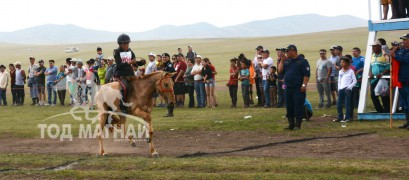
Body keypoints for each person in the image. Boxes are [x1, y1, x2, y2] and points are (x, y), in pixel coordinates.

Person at [278, 45, 310, 130]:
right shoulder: (287, 61)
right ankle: (291, 124)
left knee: (298, 105)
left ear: (293, 51)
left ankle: (297, 124)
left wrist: (304, 85)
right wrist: (281, 61)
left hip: (298, 88)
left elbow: (306, 75)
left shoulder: (302, 61)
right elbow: (280, 71)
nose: (286, 53)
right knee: (289, 106)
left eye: (287, 51)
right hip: (288, 87)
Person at [113, 34, 145, 113]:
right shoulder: (117, 52)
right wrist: (129, 62)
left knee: (139, 86)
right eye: (124, 43)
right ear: (120, 44)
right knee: (125, 87)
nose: (126, 45)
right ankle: (122, 106)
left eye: (127, 43)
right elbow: (119, 64)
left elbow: (134, 63)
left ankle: (140, 104)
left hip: (130, 74)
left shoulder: (130, 51)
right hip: (121, 74)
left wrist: (140, 62)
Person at [390, 33, 409, 129]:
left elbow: (406, 60)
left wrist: (396, 56)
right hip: (401, 81)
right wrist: (392, 55)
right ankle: (407, 121)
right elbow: (395, 59)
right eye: (403, 39)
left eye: (405, 39)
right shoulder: (401, 51)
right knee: (405, 104)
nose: (403, 41)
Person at [369, 40, 391, 113]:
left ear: (379, 47)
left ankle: (387, 110)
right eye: (372, 46)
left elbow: (388, 67)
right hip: (374, 79)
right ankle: (380, 110)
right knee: (373, 95)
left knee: (383, 95)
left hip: (383, 79)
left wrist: (381, 74)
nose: (373, 48)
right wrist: (370, 73)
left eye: (375, 46)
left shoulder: (384, 55)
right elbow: (371, 66)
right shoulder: (372, 56)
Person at [334, 57, 357, 123]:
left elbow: (354, 81)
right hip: (341, 89)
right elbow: (339, 81)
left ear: (347, 63)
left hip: (347, 89)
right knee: (339, 104)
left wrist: (349, 87)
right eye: (341, 62)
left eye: (343, 62)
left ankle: (347, 117)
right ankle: (340, 117)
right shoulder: (340, 71)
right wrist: (339, 89)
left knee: (347, 104)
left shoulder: (351, 71)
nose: (341, 63)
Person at [162, 53, 176, 117]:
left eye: (165, 57)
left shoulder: (169, 65)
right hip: (165, 84)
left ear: (168, 58)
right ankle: (169, 112)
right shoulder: (164, 65)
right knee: (167, 98)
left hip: (169, 83)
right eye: (163, 57)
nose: (164, 58)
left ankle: (170, 113)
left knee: (170, 98)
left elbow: (173, 73)